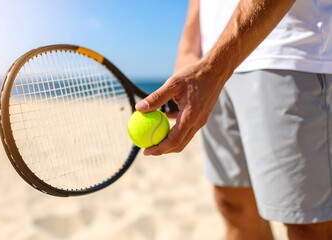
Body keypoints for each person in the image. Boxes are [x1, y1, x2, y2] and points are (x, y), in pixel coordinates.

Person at [135, 0, 332, 239]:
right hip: (214, 61)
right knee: (234, 207)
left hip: (288, 52)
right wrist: (188, 48)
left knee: (307, 225)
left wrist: (212, 68)